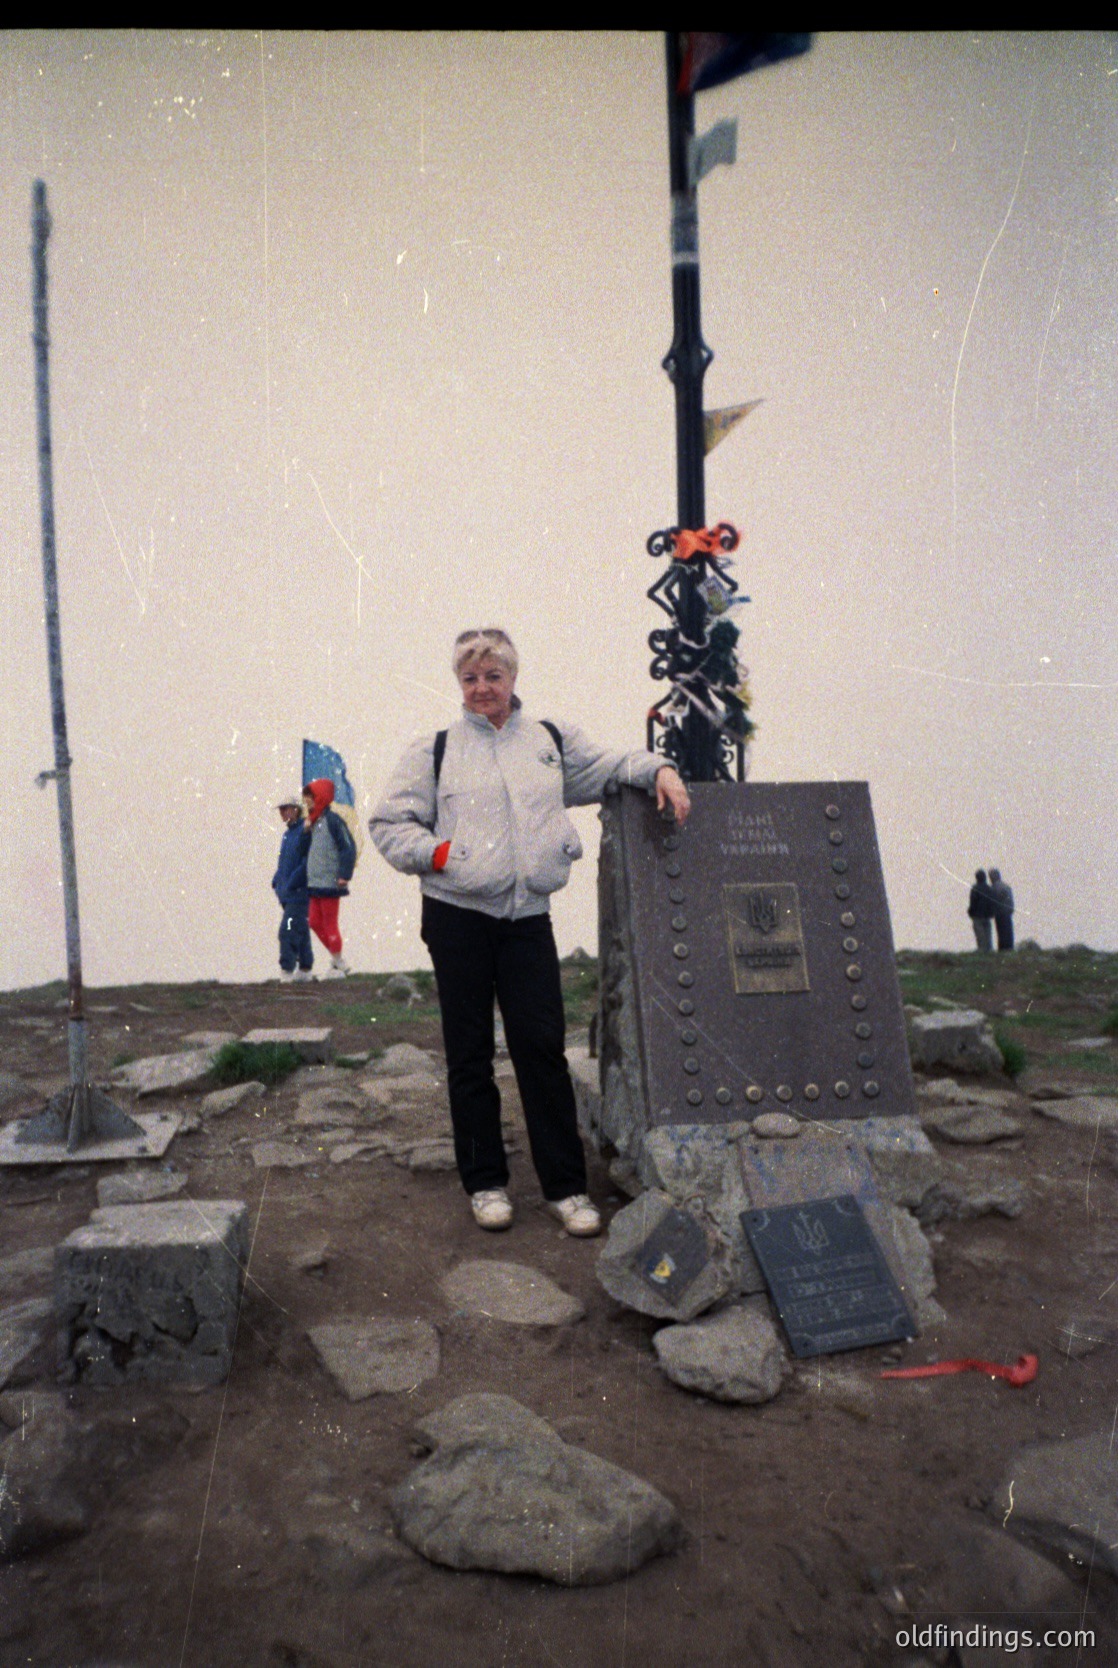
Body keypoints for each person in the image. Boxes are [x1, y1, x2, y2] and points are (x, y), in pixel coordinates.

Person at [369, 626, 691, 1238]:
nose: (482, 688)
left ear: (513, 678)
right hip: (456, 916)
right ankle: (486, 1184)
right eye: (470, 678)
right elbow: (389, 824)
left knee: (541, 1051)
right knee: (469, 1055)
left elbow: (616, 764)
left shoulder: (550, 740)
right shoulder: (433, 749)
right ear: (458, 684)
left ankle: (566, 1191)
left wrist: (662, 771)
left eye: (493, 676)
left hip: (527, 919)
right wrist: (439, 856)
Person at [303, 778, 357, 978]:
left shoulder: (333, 820)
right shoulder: (312, 821)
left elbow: (348, 847)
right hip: (314, 882)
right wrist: (305, 830)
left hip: (330, 882)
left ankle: (338, 963)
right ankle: (338, 959)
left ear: (319, 797)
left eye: (309, 797)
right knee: (315, 922)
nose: (306, 802)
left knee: (330, 923)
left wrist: (344, 874)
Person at [272, 796, 314, 981]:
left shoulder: (305, 832)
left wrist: (292, 882)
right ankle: (305, 970)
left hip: (299, 894)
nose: (282, 813)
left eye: (285, 808)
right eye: (281, 809)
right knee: (301, 929)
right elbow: (284, 863)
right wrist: (277, 881)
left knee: (288, 929)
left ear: (296, 809)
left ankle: (287, 971)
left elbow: (307, 863)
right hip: (288, 894)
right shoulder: (288, 835)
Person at [966, 868, 995, 953]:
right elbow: (992, 902)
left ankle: (981, 949)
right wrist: (991, 913)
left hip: (977, 915)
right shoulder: (989, 889)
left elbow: (973, 902)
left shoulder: (975, 888)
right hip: (987, 915)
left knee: (980, 934)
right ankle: (989, 949)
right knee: (988, 933)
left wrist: (970, 912)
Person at [988, 868, 1015, 952]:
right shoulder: (1007, 886)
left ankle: (1003, 950)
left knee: (1001, 932)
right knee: (1009, 931)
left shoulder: (993, 888)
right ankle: (1010, 948)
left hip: (1000, 913)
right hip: (1008, 912)